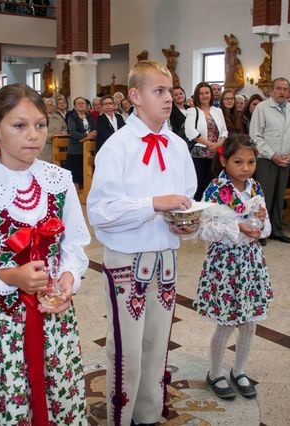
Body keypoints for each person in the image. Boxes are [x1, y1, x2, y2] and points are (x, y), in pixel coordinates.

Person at [0, 83, 89, 425]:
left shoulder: (59, 180)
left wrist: (68, 279)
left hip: (52, 315)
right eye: (19, 125)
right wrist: (10, 276)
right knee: (7, 394)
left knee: (55, 388)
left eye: (40, 125)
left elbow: (74, 244)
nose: (33, 135)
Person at [87, 61, 197, 426]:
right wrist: (153, 203)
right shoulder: (117, 147)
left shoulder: (178, 146)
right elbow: (100, 211)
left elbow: (187, 198)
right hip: (127, 261)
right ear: (134, 96)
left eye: (170, 91)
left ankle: (148, 415)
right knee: (127, 350)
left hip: (165, 258)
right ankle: (122, 416)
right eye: (159, 91)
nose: (168, 98)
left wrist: (188, 223)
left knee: (156, 344)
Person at [194, 134, 272, 400]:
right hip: (225, 264)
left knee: (249, 322)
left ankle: (239, 370)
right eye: (238, 161)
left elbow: (264, 226)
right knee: (227, 322)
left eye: (251, 162)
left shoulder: (255, 187)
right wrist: (236, 225)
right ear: (224, 160)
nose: (246, 168)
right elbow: (204, 228)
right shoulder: (215, 190)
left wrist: (260, 225)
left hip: (251, 263)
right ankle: (215, 372)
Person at [250, 77, 290, 244]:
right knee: (264, 197)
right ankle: (260, 231)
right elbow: (255, 136)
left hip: (285, 160)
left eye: (285, 89)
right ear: (272, 91)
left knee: (279, 197)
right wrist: (272, 155)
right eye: (279, 88)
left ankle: (276, 230)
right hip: (266, 160)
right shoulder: (262, 108)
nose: (282, 92)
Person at [185, 82, 228, 201]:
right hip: (199, 155)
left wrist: (218, 144)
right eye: (201, 93)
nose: (204, 96)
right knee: (199, 186)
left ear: (211, 94)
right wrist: (209, 144)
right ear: (197, 95)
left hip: (215, 154)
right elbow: (190, 132)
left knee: (212, 186)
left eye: (207, 93)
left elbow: (224, 131)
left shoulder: (217, 111)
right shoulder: (193, 111)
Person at [66, 96, 96, 189]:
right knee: (76, 175)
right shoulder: (72, 117)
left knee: (87, 173)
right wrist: (87, 136)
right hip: (75, 149)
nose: (81, 105)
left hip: (88, 148)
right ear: (74, 107)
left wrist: (92, 135)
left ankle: (86, 193)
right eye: (78, 103)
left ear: (86, 105)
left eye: (82, 103)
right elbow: (73, 133)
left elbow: (94, 129)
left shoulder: (89, 116)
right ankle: (76, 196)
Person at [43, 98, 68, 162]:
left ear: (54, 107)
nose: (49, 107)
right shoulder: (40, 117)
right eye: (47, 105)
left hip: (59, 148)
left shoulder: (59, 117)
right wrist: (52, 135)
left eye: (51, 105)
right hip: (46, 149)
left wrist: (62, 134)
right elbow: (38, 133)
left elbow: (64, 128)